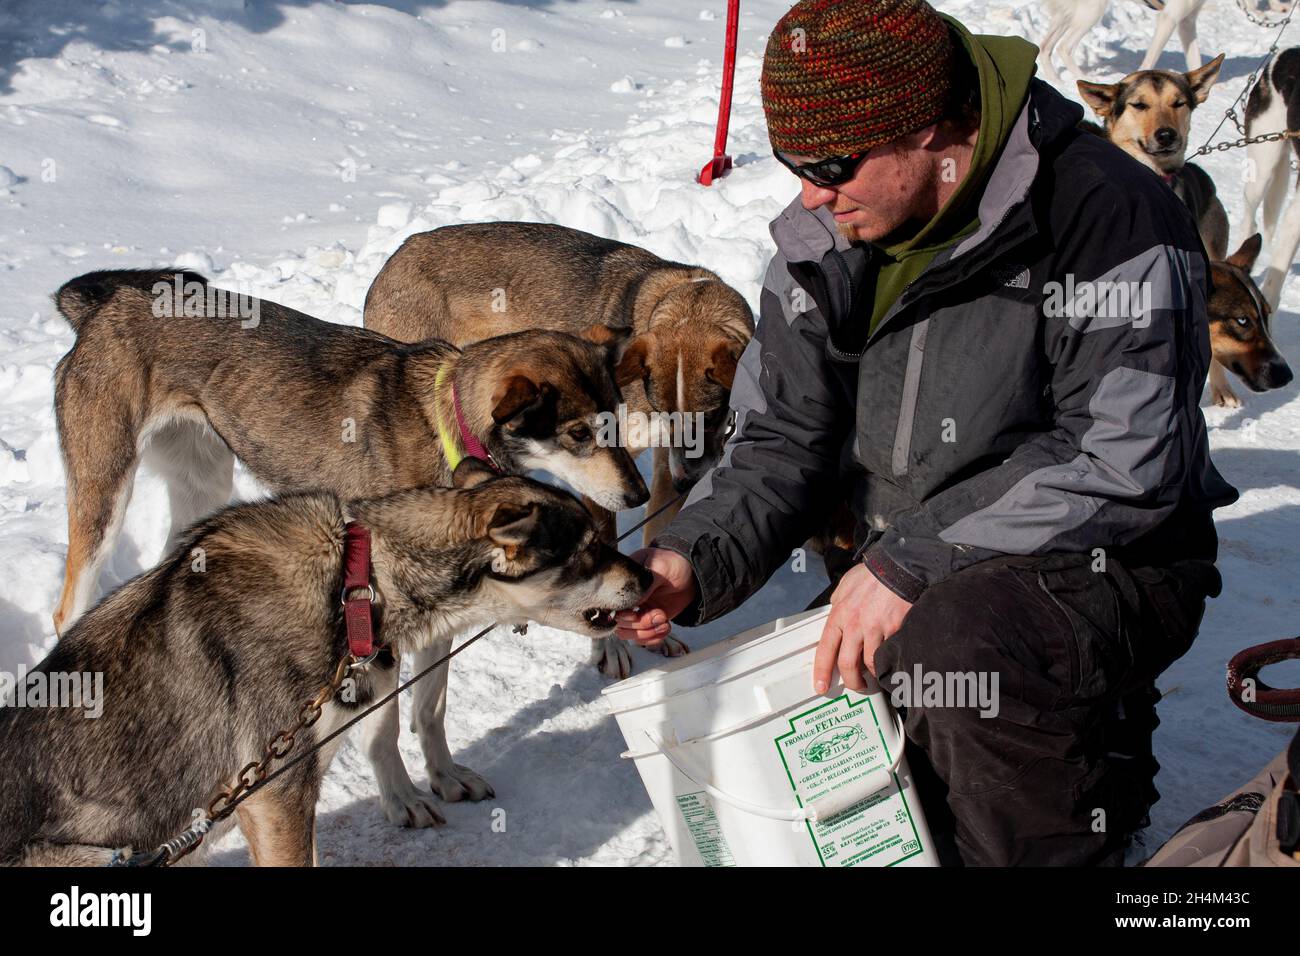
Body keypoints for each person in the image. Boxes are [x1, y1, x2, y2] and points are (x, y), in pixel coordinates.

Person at [615, 0, 1238, 866]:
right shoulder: (829, 234)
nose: (812, 194)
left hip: (1113, 553)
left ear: (932, 133)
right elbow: (781, 432)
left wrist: (912, 561)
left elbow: (1123, 457)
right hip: (910, 553)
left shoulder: (1106, 215)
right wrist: (691, 555)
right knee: (837, 684)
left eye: (831, 164)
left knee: (957, 651)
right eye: (796, 164)